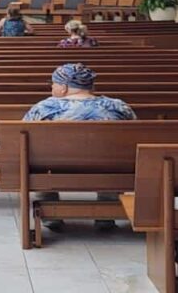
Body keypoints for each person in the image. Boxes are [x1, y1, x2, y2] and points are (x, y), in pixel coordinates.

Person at [23, 63, 136, 231]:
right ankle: (105, 214)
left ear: (64, 87)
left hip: (57, 167)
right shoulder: (118, 106)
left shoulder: (45, 107)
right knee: (113, 157)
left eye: (53, 83)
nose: (51, 87)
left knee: (39, 159)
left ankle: (50, 212)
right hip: (111, 168)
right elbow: (135, 135)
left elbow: (23, 135)